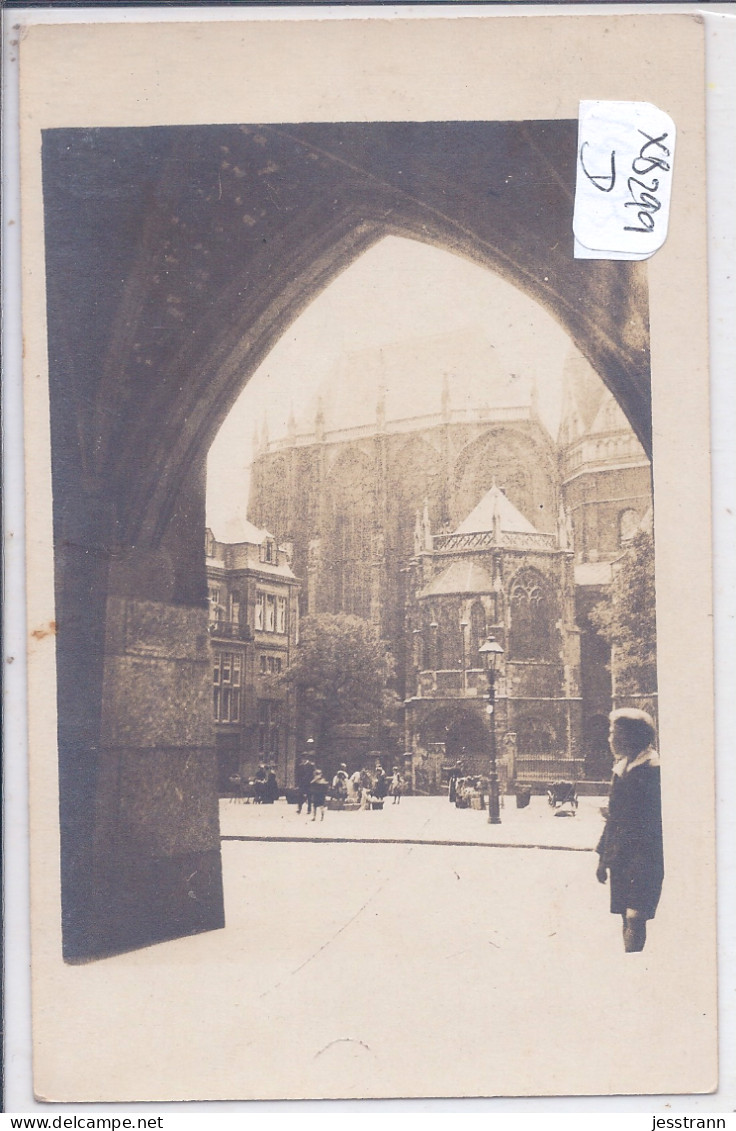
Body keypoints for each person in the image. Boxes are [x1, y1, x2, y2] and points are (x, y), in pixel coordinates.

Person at [595, 708, 664, 953]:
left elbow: (652, 820)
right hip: (622, 856)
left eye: (615, 733)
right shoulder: (621, 768)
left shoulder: (653, 769)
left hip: (644, 856)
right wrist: (603, 859)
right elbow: (613, 819)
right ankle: (632, 957)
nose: (610, 739)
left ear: (632, 736)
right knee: (627, 915)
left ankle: (635, 963)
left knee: (636, 915)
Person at [295, 742, 316, 814]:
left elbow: (313, 774)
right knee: (300, 796)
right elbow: (298, 775)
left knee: (309, 797)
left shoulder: (311, 765)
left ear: (306, 758)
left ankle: (309, 809)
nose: (303, 759)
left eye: (304, 758)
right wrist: (297, 783)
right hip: (302, 784)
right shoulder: (300, 766)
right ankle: (299, 809)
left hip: (309, 784)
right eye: (302, 758)